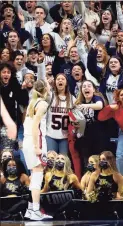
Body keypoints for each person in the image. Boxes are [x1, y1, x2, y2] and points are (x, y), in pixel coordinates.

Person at [22, 79, 52, 220]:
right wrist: (36, 146)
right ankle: (35, 210)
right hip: (36, 140)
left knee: (35, 174)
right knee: (38, 174)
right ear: (45, 89)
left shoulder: (32, 103)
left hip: (27, 140)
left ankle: (30, 209)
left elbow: (26, 123)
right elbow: (35, 126)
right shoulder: (43, 104)